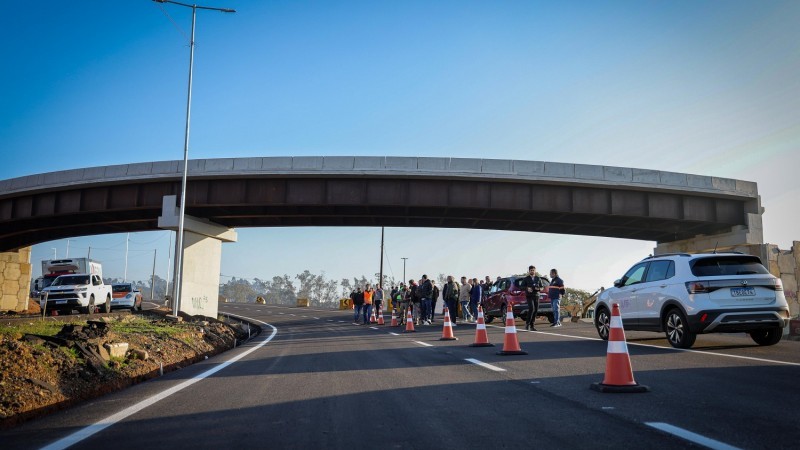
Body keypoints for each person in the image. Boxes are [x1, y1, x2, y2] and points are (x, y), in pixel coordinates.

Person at [521, 265, 544, 331]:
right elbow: (521, 287)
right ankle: (527, 324)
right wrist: (527, 288)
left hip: (536, 295)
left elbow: (542, 287)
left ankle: (532, 326)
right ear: (529, 271)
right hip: (529, 296)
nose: (532, 271)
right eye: (531, 270)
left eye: (533, 270)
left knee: (536, 310)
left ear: (535, 271)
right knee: (531, 309)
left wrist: (539, 288)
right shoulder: (526, 278)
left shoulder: (538, 278)